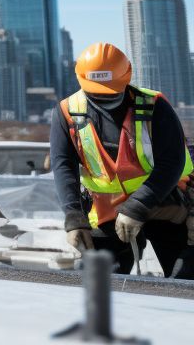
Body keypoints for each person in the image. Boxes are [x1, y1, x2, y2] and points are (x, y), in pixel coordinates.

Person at [52, 42, 194, 278]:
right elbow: (63, 166)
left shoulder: (154, 106)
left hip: (167, 201)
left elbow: (172, 162)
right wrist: (74, 217)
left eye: (109, 92)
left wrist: (137, 206)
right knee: (99, 281)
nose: (102, 97)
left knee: (186, 278)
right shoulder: (68, 112)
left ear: (127, 76)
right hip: (108, 210)